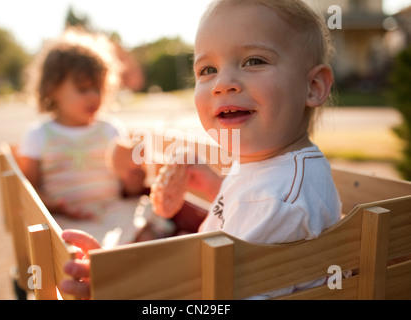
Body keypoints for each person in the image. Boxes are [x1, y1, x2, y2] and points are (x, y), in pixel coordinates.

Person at [61, 0, 342, 299]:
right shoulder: (274, 170)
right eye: (208, 69)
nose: (222, 84)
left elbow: (215, 292)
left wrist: (121, 284)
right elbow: (245, 217)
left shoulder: (274, 200)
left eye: (254, 61)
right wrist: (215, 187)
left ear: (312, 86)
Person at [19, 27, 149, 248]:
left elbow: (128, 189)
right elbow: (29, 190)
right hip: (67, 218)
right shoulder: (39, 135)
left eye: (98, 89)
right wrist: (56, 205)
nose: (94, 96)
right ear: (52, 89)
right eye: (83, 89)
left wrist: (132, 182)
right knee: (67, 245)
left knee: (147, 223)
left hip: (112, 209)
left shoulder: (111, 129)